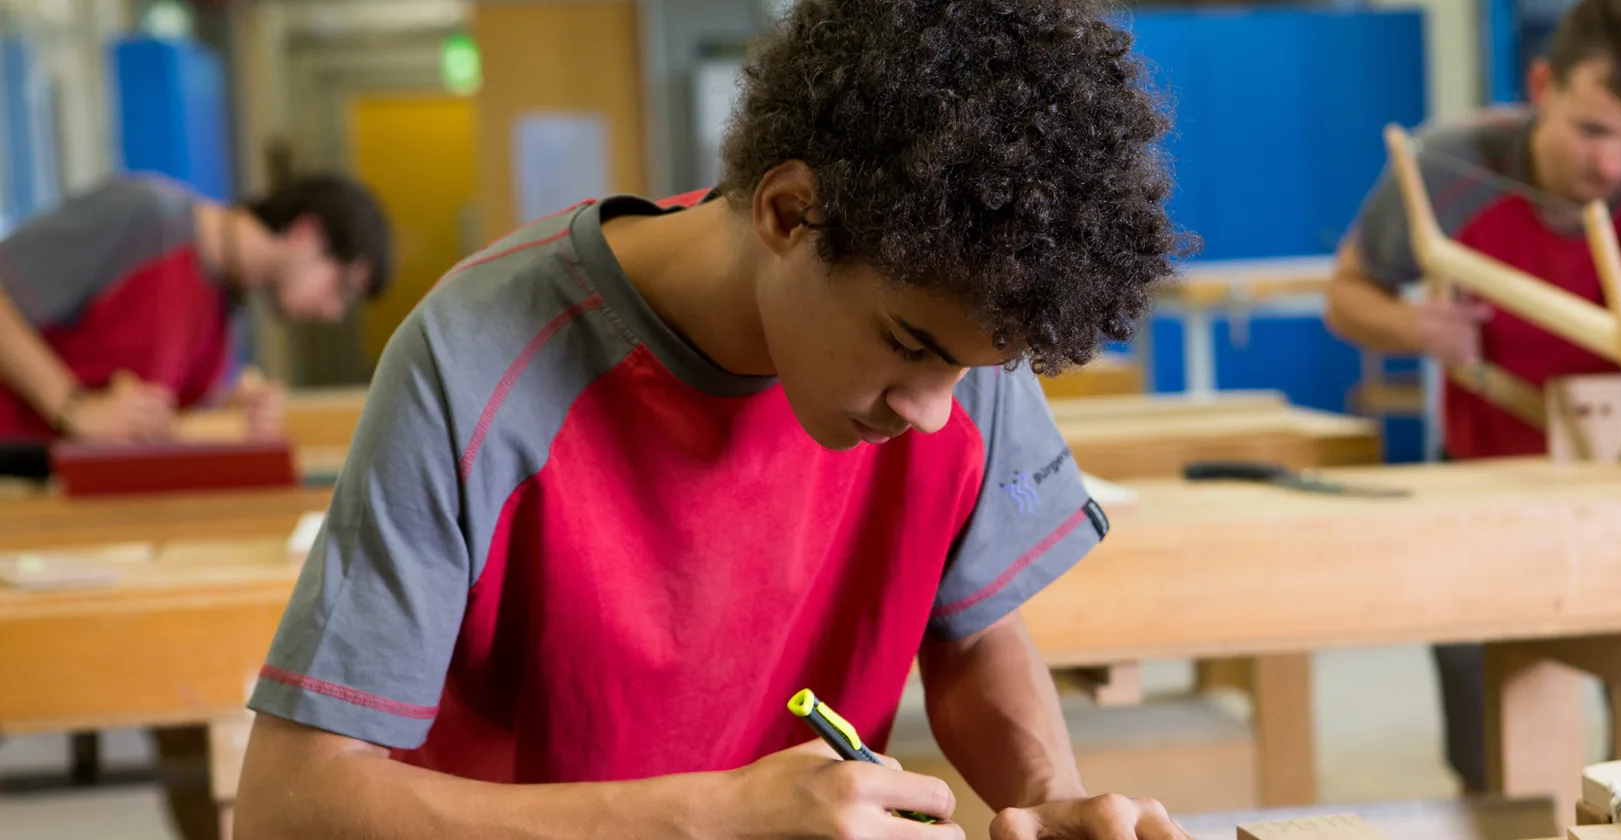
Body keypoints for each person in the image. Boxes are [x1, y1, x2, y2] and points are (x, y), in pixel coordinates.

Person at [232, 2, 1195, 839]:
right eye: (909, 346)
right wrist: (716, 816)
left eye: (976, 369)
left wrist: (1047, 798)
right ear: (788, 213)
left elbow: (974, 632)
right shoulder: (473, 360)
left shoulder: (953, 320)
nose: (937, 414)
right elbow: (289, 805)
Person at [1322, 0, 1621, 794]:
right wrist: (1413, 326)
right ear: (1543, 85)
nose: (1614, 164)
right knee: (1497, 778)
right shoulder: (1450, 163)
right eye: (1592, 130)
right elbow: (1346, 294)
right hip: (1488, 479)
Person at [0, 171, 392, 446]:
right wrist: (73, 407)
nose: (332, 312)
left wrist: (229, 411)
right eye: (342, 288)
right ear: (307, 233)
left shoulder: (227, 304)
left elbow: (146, 412)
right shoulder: (145, 215)